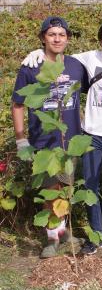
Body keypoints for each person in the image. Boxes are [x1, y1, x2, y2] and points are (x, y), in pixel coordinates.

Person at [22, 18, 102, 255]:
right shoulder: (86, 59)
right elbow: (57, 53)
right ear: (101, 40)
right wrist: (37, 52)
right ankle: (95, 232)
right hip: (90, 133)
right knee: (90, 184)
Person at [12, 16, 88, 258]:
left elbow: (86, 93)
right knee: (49, 190)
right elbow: (17, 104)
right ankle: (52, 238)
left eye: (62, 34)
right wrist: (20, 138)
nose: (57, 38)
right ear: (43, 38)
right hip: (44, 143)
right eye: (52, 34)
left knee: (65, 188)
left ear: (67, 39)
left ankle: (64, 231)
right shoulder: (31, 67)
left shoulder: (76, 66)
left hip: (70, 142)